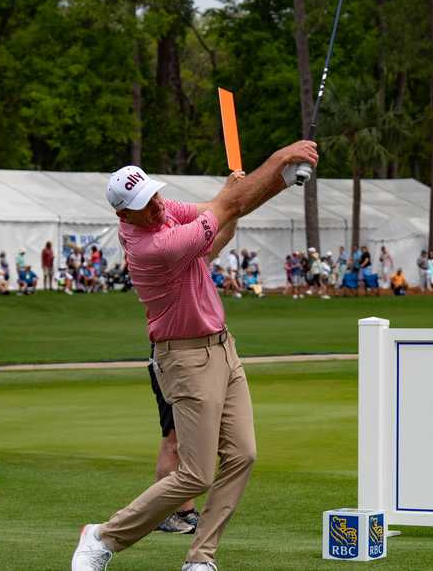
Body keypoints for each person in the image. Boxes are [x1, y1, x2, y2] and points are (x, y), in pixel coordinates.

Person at [71, 141, 318, 571]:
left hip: (223, 347)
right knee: (196, 474)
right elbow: (228, 206)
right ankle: (102, 536)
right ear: (124, 216)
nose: (156, 206)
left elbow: (229, 206)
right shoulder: (153, 247)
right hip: (184, 359)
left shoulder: (161, 211)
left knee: (242, 455)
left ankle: (200, 558)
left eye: (154, 196)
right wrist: (280, 160)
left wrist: (278, 182)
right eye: (144, 205)